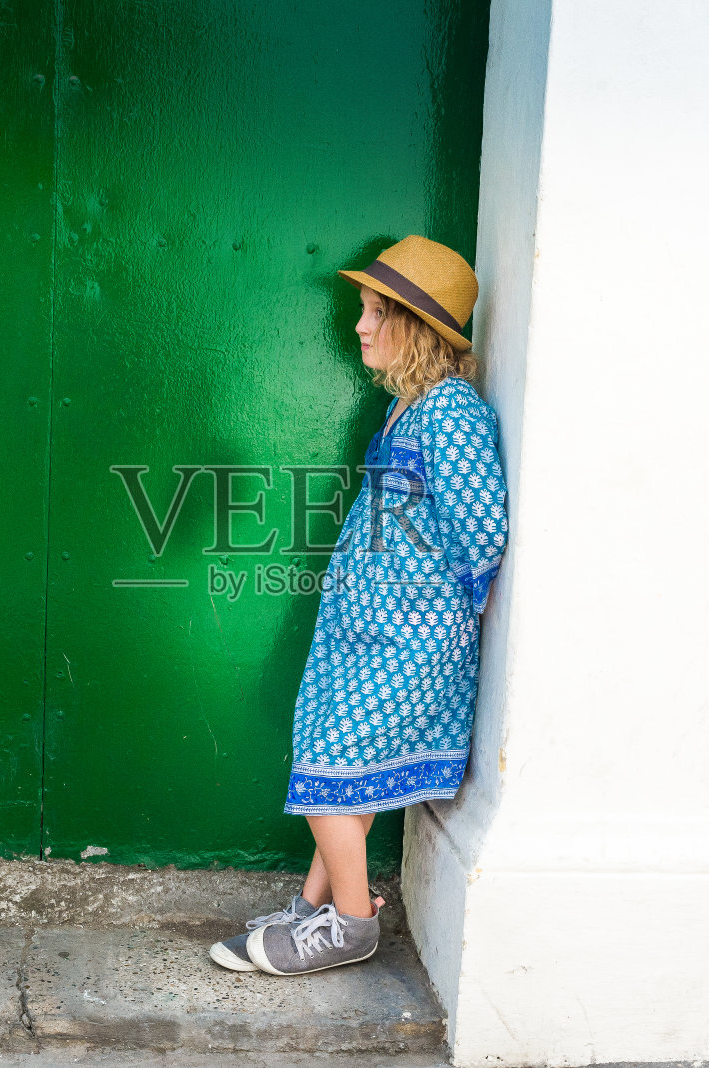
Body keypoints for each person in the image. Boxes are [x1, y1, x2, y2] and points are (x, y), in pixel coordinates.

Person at [210, 235, 508, 976]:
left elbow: (484, 530)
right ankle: (314, 909)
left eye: (376, 312)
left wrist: (429, 612)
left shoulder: (453, 413)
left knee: (331, 766)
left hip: (409, 638)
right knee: (344, 771)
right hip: (366, 632)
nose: (360, 327)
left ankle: (350, 925)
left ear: (415, 324)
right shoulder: (407, 411)